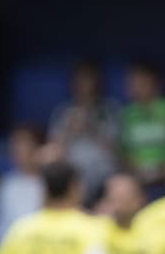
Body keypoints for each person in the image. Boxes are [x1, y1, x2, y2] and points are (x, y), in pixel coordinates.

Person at [47, 60, 120, 200]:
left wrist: (91, 129)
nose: (83, 84)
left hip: (105, 178)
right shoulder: (63, 112)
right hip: (71, 179)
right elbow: (53, 151)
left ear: (98, 82)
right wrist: (69, 130)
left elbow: (119, 154)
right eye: (79, 79)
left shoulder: (110, 110)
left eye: (88, 78)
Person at [119, 61, 165, 191]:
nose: (138, 87)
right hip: (137, 179)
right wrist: (135, 171)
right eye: (134, 82)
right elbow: (121, 151)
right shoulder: (127, 114)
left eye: (143, 82)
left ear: (156, 83)